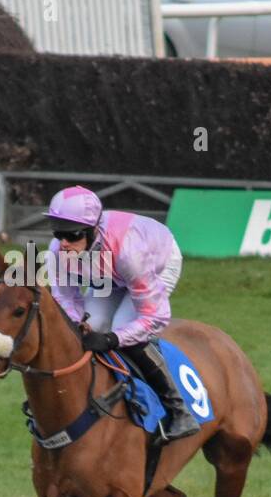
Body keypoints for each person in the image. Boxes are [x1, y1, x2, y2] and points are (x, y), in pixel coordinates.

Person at [45, 185, 199, 440]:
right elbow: (65, 296)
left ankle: (178, 409)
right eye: (58, 233)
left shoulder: (130, 253)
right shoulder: (58, 249)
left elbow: (155, 317)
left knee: (121, 329)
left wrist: (112, 339)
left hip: (156, 262)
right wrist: (78, 324)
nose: (63, 243)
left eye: (71, 235)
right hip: (110, 273)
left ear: (92, 230)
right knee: (93, 326)